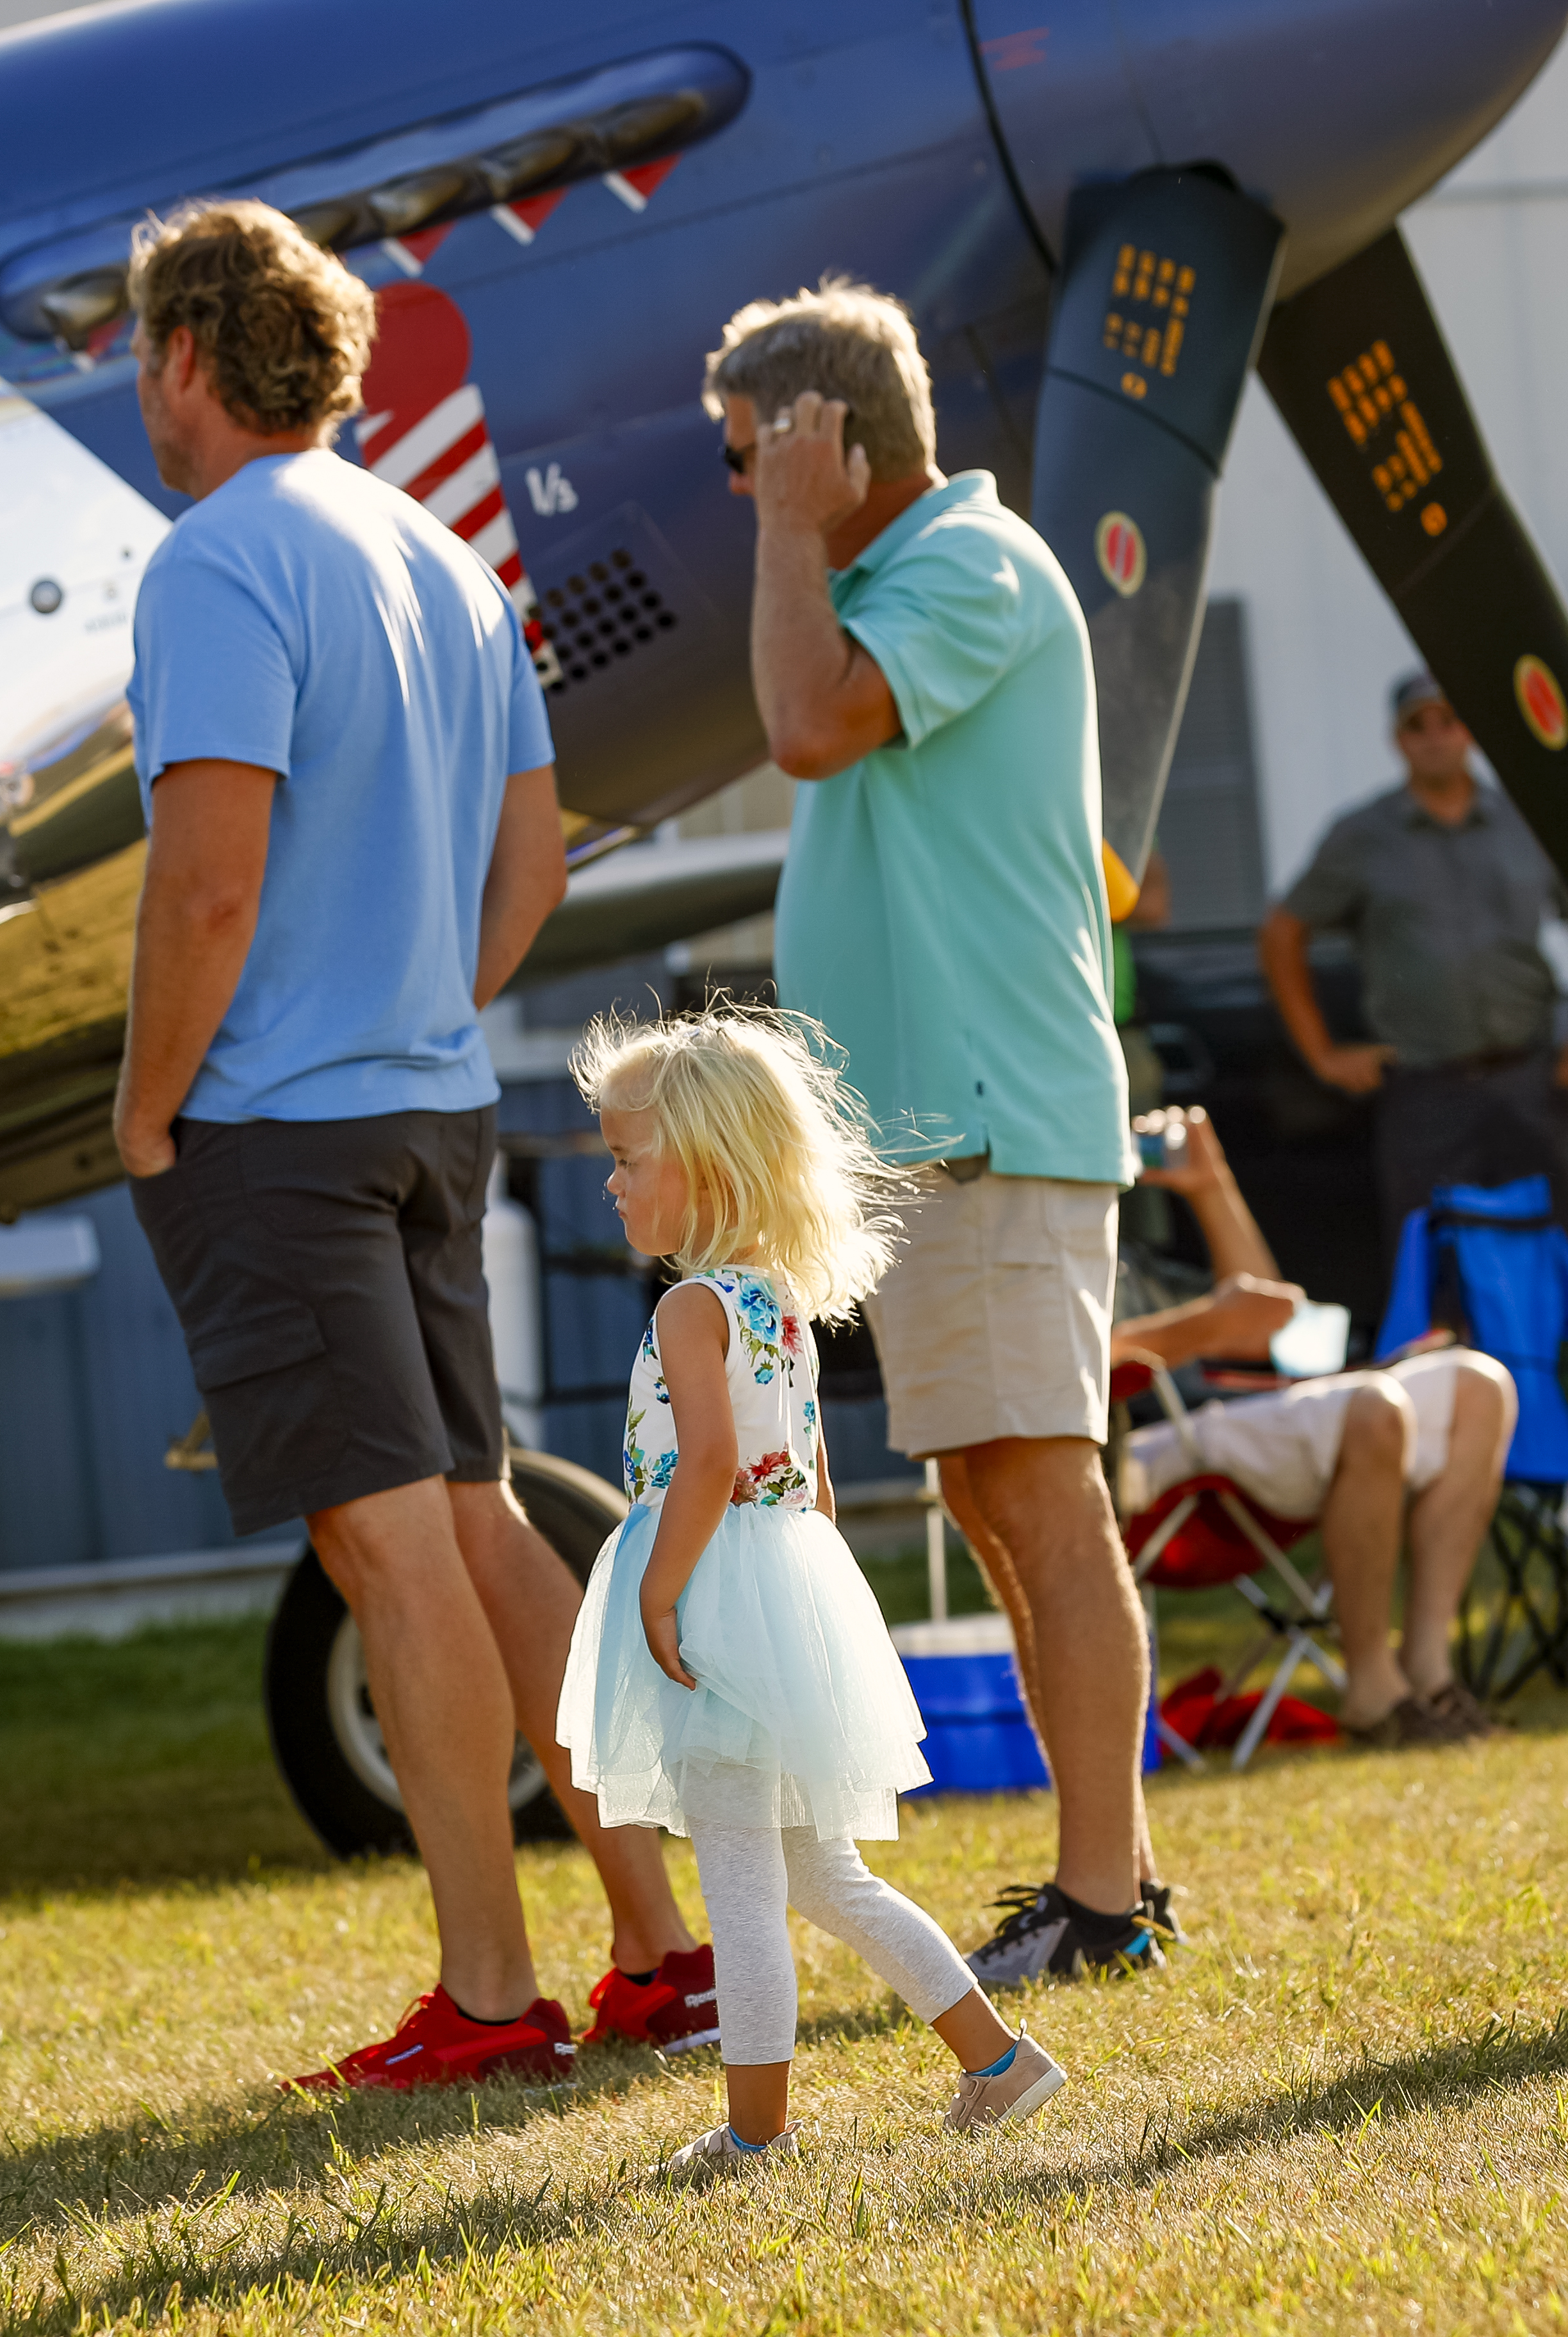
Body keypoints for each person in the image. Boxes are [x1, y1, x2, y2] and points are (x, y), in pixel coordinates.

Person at [106, 201, 705, 2090]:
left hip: (281, 1130)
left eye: (140, 356)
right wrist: (408, 1002)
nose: (139, 392)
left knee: (396, 1551)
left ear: (191, 356)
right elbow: (534, 868)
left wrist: (141, 1112)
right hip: (432, 1106)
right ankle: (662, 1949)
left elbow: (206, 890)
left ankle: (491, 1995)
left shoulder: (213, 565)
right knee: (472, 1516)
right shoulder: (450, 557)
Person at [705, 281, 1164, 1990]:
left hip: (995, 1126)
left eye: (752, 454)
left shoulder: (967, 568)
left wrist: (788, 537)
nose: (738, 487)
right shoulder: (894, 583)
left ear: (826, 440)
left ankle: (1105, 1900)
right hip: (941, 1140)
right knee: (994, 1493)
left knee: (1044, 1498)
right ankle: (1100, 1871)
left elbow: (806, 724)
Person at [560, 1008, 1065, 2171]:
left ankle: (756, 2132)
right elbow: (813, 1480)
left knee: (741, 1878)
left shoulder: (693, 1309)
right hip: (780, 1590)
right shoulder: (778, 1306)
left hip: (717, 1593)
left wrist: (664, 1593)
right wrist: (800, 1616)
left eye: (629, 1159)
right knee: (823, 1872)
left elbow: (709, 1465)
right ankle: (997, 2062)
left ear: (708, 1168)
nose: (612, 1182)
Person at [1113, 1107, 1517, 1745]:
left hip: (1243, 1417)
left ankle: (1428, 1669)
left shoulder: (1130, 1250)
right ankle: (1372, 1690)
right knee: (1374, 1407)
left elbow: (1268, 1315)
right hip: (1152, 1443)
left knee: (1479, 1385)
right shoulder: (1039, 1235)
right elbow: (1056, 1367)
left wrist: (1209, 1183)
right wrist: (1208, 1327)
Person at [1260, 670, 1568, 1254]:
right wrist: (1322, 1054)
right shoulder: (1363, 836)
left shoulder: (1528, 821)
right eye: (1417, 726)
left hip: (1529, 1076)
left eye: (1447, 721)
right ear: (1397, 740)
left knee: (1558, 1249)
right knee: (1431, 1259)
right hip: (1426, 1089)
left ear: (1470, 732)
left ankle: (1562, 1349)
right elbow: (1282, 932)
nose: (1434, 737)